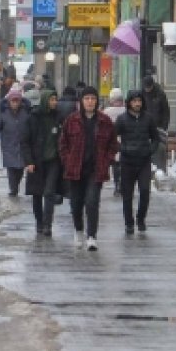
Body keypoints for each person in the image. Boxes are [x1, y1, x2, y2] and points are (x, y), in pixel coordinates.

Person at [58, 87, 116, 251]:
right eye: (87, 98)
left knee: (92, 202)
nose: (90, 101)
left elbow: (113, 144)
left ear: (96, 101)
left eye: (92, 98)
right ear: (81, 102)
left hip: (95, 169)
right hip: (75, 169)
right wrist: (67, 160)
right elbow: (63, 143)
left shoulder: (104, 121)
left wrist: (107, 160)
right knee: (76, 203)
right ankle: (78, 230)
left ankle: (92, 236)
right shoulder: (72, 120)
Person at [114, 89, 160, 235]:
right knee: (127, 194)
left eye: (139, 101)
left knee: (145, 191)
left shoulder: (148, 118)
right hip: (127, 161)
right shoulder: (122, 119)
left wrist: (150, 150)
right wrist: (122, 148)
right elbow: (113, 137)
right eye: (134, 101)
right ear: (129, 103)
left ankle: (141, 219)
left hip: (144, 161)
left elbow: (156, 138)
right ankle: (129, 223)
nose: (137, 104)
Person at [21, 89, 63, 236]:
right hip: (36, 162)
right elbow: (25, 142)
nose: (54, 102)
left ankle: (47, 225)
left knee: (49, 192)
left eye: (55, 99)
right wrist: (29, 161)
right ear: (45, 100)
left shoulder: (58, 117)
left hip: (53, 161)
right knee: (37, 194)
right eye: (51, 100)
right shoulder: (33, 118)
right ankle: (39, 222)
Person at [0, 87, 31, 197]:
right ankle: (13, 189)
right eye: (13, 101)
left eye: (17, 101)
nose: (15, 103)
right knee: (11, 169)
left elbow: (31, 126)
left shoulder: (25, 112)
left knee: (20, 168)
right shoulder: (3, 113)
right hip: (8, 145)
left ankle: (16, 185)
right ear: (9, 101)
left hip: (22, 145)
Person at [141, 74, 171, 171]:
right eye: (146, 87)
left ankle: (160, 169)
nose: (147, 89)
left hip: (158, 127)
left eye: (149, 87)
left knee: (159, 148)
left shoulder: (160, 94)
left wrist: (164, 127)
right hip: (145, 127)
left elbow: (166, 111)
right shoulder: (141, 93)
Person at [102, 88, 127, 196]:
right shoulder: (126, 111)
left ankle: (117, 184)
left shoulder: (106, 112)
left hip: (112, 141)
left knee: (115, 165)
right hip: (125, 141)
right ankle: (122, 184)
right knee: (124, 164)